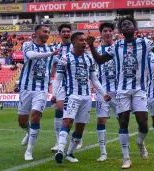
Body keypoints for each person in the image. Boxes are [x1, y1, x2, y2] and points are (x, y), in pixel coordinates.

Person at [86, 17, 154, 169]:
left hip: (140, 89)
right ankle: (126, 158)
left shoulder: (144, 42)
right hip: (122, 90)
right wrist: (91, 45)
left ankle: (140, 142)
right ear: (120, 30)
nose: (126, 26)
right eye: (123, 25)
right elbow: (99, 60)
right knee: (123, 122)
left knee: (143, 124)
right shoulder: (117, 45)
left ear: (134, 28)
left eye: (129, 24)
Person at [52, 32, 111, 164]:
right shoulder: (65, 59)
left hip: (86, 97)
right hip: (72, 96)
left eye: (85, 40)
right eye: (81, 40)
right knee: (67, 121)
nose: (84, 43)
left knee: (80, 127)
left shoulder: (89, 59)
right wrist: (54, 94)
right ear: (74, 43)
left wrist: (103, 93)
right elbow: (58, 79)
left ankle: (70, 153)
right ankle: (60, 150)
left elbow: (94, 79)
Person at [18, 25, 59, 161]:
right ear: (36, 33)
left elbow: (56, 64)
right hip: (26, 87)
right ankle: (29, 132)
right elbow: (31, 56)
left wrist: (51, 76)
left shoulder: (52, 48)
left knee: (35, 115)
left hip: (41, 88)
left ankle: (29, 151)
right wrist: (51, 54)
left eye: (48, 32)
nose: (47, 34)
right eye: (44, 31)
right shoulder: (28, 45)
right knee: (22, 121)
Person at [50, 24, 84, 152]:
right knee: (59, 110)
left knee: (73, 112)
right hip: (62, 85)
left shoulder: (75, 46)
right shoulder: (56, 49)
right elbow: (54, 67)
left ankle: (78, 138)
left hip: (75, 84)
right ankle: (59, 142)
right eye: (63, 31)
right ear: (59, 34)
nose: (66, 33)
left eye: (68, 31)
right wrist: (52, 80)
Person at [94, 22, 117, 162]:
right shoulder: (95, 51)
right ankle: (103, 152)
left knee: (123, 120)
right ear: (101, 34)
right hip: (102, 90)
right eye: (105, 31)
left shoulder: (119, 48)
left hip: (119, 90)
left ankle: (125, 148)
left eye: (110, 31)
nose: (108, 33)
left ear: (113, 33)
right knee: (101, 120)